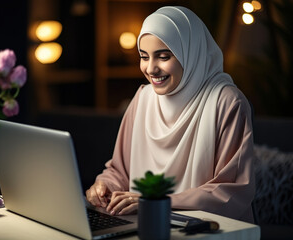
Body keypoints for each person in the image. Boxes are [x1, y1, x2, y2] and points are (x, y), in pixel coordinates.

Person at [86, 6, 256, 223]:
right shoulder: (142, 99)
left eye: (163, 57)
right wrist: (105, 186)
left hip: (207, 230)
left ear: (190, 52)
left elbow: (231, 190)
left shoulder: (227, 102)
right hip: (146, 224)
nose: (150, 69)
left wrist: (158, 202)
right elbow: (120, 171)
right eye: (144, 57)